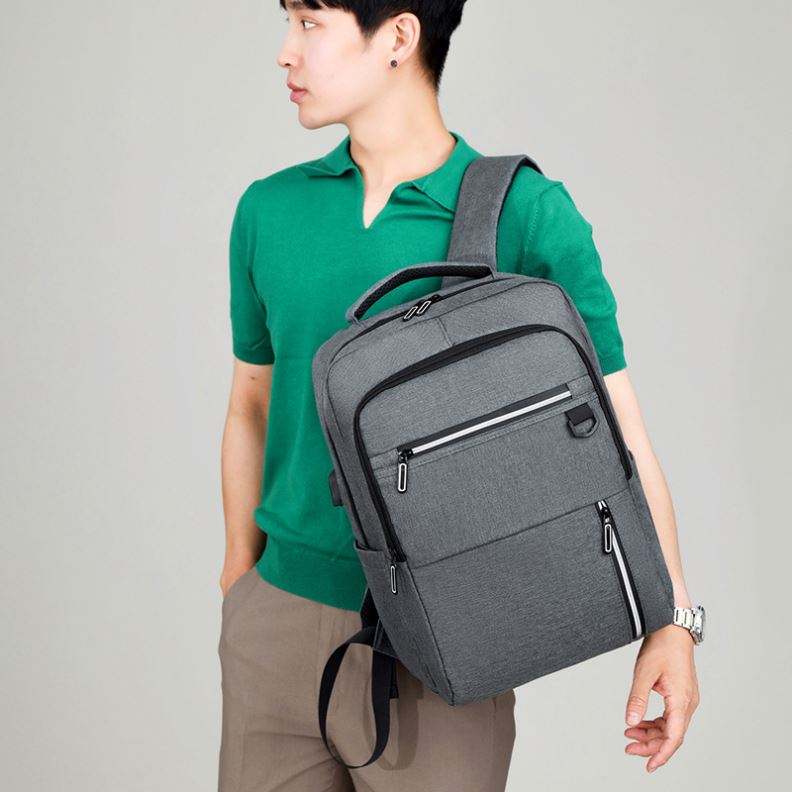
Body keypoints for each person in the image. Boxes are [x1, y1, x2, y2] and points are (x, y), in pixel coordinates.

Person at [217, 1, 701, 789]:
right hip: (277, 628)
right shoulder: (269, 211)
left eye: (310, 22)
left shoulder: (526, 216)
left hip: (448, 640)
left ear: (398, 38)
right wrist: (242, 582)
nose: (285, 52)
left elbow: (621, 434)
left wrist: (672, 622)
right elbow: (249, 406)